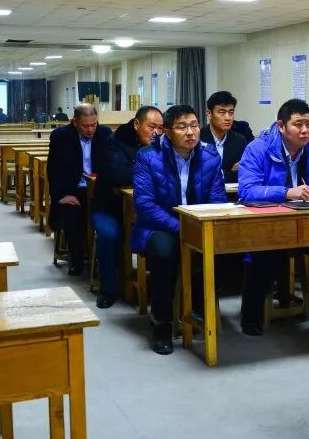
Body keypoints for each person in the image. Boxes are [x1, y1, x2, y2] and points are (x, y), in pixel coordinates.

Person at [237, 98, 309, 334]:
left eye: (308, 124)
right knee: (268, 254)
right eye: (298, 124)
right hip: (270, 226)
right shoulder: (258, 149)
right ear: (281, 126)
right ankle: (251, 316)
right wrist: (286, 192)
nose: (305, 130)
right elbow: (247, 191)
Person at [132, 105, 228, 354]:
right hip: (160, 225)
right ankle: (162, 323)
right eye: (182, 127)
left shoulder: (209, 157)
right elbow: (145, 205)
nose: (190, 132)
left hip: (197, 224)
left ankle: (199, 310)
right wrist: (180, 228)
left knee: (225, 250)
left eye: (194, 125)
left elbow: (217, 200)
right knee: (164, 253)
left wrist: (198, 227)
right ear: (167, 131)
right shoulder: (148, 156)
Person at [92, 106, 163, 308]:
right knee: (110, 234)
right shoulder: (114, 142)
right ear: (136, 124)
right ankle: (108, 289)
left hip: (148, 210)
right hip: (109, 207)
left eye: (160, 128)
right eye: (151, 127)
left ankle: (161, 288)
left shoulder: (163, 144)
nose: (156, 132)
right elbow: (118, 175)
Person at [47, 103, 113, 276]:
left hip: (98, 189)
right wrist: (60, 196)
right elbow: (53, 170)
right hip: (72, 189)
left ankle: (108, 262)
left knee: (114, 212)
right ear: (74, 122)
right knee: (71, 213)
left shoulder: (105, 134)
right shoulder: (61, 137)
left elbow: (111, 165)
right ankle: (77, 260)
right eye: (85, 126)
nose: (90, 130)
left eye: (93, 125)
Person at [200, 90, 248, 183]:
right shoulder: (198, 139)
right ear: (209, 113)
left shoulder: (240, 141)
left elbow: (243, 174)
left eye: (231, 112)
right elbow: (200, 177)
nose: (228, 118)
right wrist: (230, 173)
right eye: (222, 112)